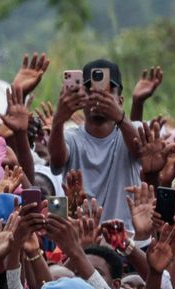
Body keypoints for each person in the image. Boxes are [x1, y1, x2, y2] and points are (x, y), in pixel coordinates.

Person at [48, 59, 141, 225]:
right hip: (82, 240)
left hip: (127, 242)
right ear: (82, 99)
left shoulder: (131, 131)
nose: (98, 96)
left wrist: (120, 117)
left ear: (119, 101)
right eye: (91, 91)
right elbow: (56, 163)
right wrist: (58, 121)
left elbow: (140, 151)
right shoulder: (71, 138)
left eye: (107, 91)